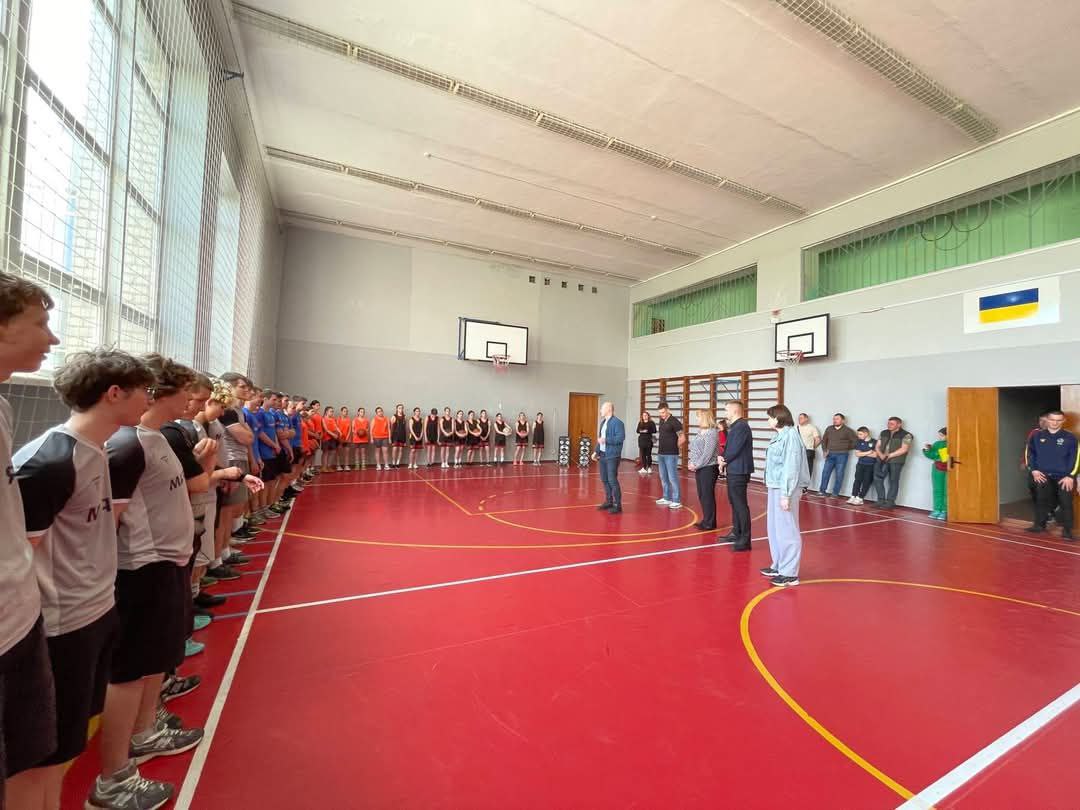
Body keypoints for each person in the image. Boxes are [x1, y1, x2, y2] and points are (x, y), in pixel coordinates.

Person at [9, 350, 152, 809]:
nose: (149, 399)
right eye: (144, 391)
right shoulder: (50, 462)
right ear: (114, 393)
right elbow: (19, 555)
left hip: (96, 611)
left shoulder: (97, 452)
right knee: (42, 758)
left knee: (67, 746)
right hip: (60, 626)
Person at [95, 355, 206, 810]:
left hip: (166, 564)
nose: (192, 400)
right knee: (130, 667)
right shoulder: (127, 446)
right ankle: (114, 776)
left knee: (153, 659)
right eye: (186, 392)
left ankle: (145, 731)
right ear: (162, 392)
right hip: (141, 568)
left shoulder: (156, 438)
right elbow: (110, 520)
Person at [0, 274, 60, 809]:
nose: (52, 338)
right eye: (40, 324)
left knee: (31, 755)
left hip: (19, 615)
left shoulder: (1, 407)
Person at [761, 405, 810, 588]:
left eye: (769, 417)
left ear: (778, 418)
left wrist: (786, 494)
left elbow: (791, 466)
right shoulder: (779, 436)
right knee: (775, 528)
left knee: (787, 530)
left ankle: (789, 574)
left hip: (786, 488)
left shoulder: (791, 436)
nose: (768, 420)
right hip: (775, 485)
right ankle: (779, 565)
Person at [1025, 410, 1076, 541]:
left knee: (1066, 502)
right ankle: (1039, 526)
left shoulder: (1070, 437)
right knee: (1041, 500)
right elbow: (1030, 454)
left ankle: (1067, 531)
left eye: (1058, 420)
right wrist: (1034, 470)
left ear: (1063, 421)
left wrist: (1070, 476)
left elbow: (1076, 458)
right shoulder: (1037, 436)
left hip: (1064, 477)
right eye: (1052, 419)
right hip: (1043, 475)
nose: (1055, 423)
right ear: (1047, 420)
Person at [719, 400, 754, 551]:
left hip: (739, 470)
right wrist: (723, 458)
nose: (725, 413)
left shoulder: (741, 426)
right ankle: (736, 532)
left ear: (734, 411)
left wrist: (724, 460)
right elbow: (730, 448)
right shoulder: (736, 426)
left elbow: (735, 449)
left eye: (727, 410)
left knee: (740, 505)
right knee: (734, 502)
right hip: (734, 469)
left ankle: (745, 540)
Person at [687, 410, 720, 530]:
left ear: (705, 418)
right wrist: (692, 462)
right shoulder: (700, 431)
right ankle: (706, 520)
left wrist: (696, 465)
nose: (697, 419)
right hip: (700, 467)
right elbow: (695, 449)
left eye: (699, 417)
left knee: (707, 495)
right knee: (702, 495)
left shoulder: (712, 433)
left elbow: (707, 454)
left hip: (708, 468)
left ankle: (710, 523)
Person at [593, 402, 625, 513]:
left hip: (612, 456)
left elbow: (620, 438)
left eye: (602, 408)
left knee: (612, 480)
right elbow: (600, 440)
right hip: (602, 455)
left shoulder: (618, 423)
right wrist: (596, 451)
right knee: (605, 479)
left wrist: (606, 440)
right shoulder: (603, 422)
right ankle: (609, 501)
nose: (600, 410)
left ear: (609, 409)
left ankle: (617, 505)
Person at [816, 413, 858, 498]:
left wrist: (845, 447)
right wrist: (824, 450)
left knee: (839, 474)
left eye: (837, 419)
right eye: (834, 419)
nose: (835, 420)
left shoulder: (848, 430)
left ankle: (835, 493)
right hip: (830, 454)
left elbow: (856, 442)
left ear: (843, 420)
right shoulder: (829, 428)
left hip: (842, 455)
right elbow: (824, 441)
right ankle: (822, 491)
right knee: (825, 473)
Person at [874, 417, 913, 508]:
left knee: (893, 480)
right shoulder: (883, 432)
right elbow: (877, 446)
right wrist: (881, 455)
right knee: (878, 479)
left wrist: (890, 455)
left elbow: (904, 449)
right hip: (881, 459)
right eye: (888, 423)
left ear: (899, 424)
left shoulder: (907, 435)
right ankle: (880, 500)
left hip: (896, 461)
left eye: (892, 424)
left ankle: (890, 502)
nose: (889, 425)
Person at [654, 402, 684, 510]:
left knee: (672, 477)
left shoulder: (675, 422)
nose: (661, 415)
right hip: (661, 453)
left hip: (671, 454)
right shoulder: (662, 420)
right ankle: (666, 497)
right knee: (663, 477)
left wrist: (677, 448)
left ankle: (676, 500)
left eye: (663, 412)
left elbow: (682, 437)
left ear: (668, 410)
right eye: (660, 413)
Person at [923, 427, 949, 520]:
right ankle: (937, 509)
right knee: (937, 489)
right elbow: (931, 455)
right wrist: (928, 450)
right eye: (939, 435)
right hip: (937, 468)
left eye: (942, 435)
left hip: (949, 468)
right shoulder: (937, 444)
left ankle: (945, 511)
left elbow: (944, 458)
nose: (939, 437)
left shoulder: (952, 444)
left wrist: (937, 454)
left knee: (946, 490)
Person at [847, 427, 877, 505]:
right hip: (860, 464)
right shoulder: (859, 442)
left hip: (870, 465)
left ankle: (860, 498)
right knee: (857, 480)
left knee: (866, 481)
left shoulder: (874, 442)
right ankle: (853, 496)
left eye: (860, 434)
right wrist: (869, 452)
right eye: (858, 434)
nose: (858, 436)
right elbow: (857, 454)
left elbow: (876, 455)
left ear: (866, 433)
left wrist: (863, 453)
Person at [797, 413, 821, 491]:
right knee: (797, 468)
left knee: (807, 469)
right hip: (797, 451)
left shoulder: (812, 428)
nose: (799, 419)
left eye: (801, 418)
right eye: (799, 418)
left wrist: (811, 447)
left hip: (808, 451)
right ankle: (797, 485)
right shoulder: (796, 428)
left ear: (806, 419)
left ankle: (804, 487)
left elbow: (818, 439)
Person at [636, 410, 656, 475]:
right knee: (643, 455)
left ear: (648, 416)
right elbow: (637, 431)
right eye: (643, 415)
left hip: (649, 440)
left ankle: (649, 468)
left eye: (646, 415)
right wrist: (642, 431)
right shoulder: (640, 423)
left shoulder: (651, 423)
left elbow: (654, 430)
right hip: (641, 440)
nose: (644, 416)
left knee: (648, 454)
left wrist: (647, 431)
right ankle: (644, 468)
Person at [389, 404, 407, 468]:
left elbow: (404, 428)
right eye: (399, 408)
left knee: (400, 449)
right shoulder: (393, 417)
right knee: (394, 449)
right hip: (395, 435)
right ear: (397, 409)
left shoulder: (404, 417)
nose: (400, 409)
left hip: (402, 435)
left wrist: (405, 439)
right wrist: (390, 437)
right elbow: (391, 428)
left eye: (402, 408)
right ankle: (393, 463)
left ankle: (398, 463)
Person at [337, 406, 352, 470]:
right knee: (339, 453)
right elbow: (336, 428)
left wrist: (347, 437)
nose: (346, 412)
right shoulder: (338, 419)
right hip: (340, 438)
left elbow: (350, 429)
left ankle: (346, 465)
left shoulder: (349, 420)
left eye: (346, 411)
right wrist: (340, 436)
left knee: (347, 453)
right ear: (341, 412)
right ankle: (338, 466)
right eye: (344, 411)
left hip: (347, 438)